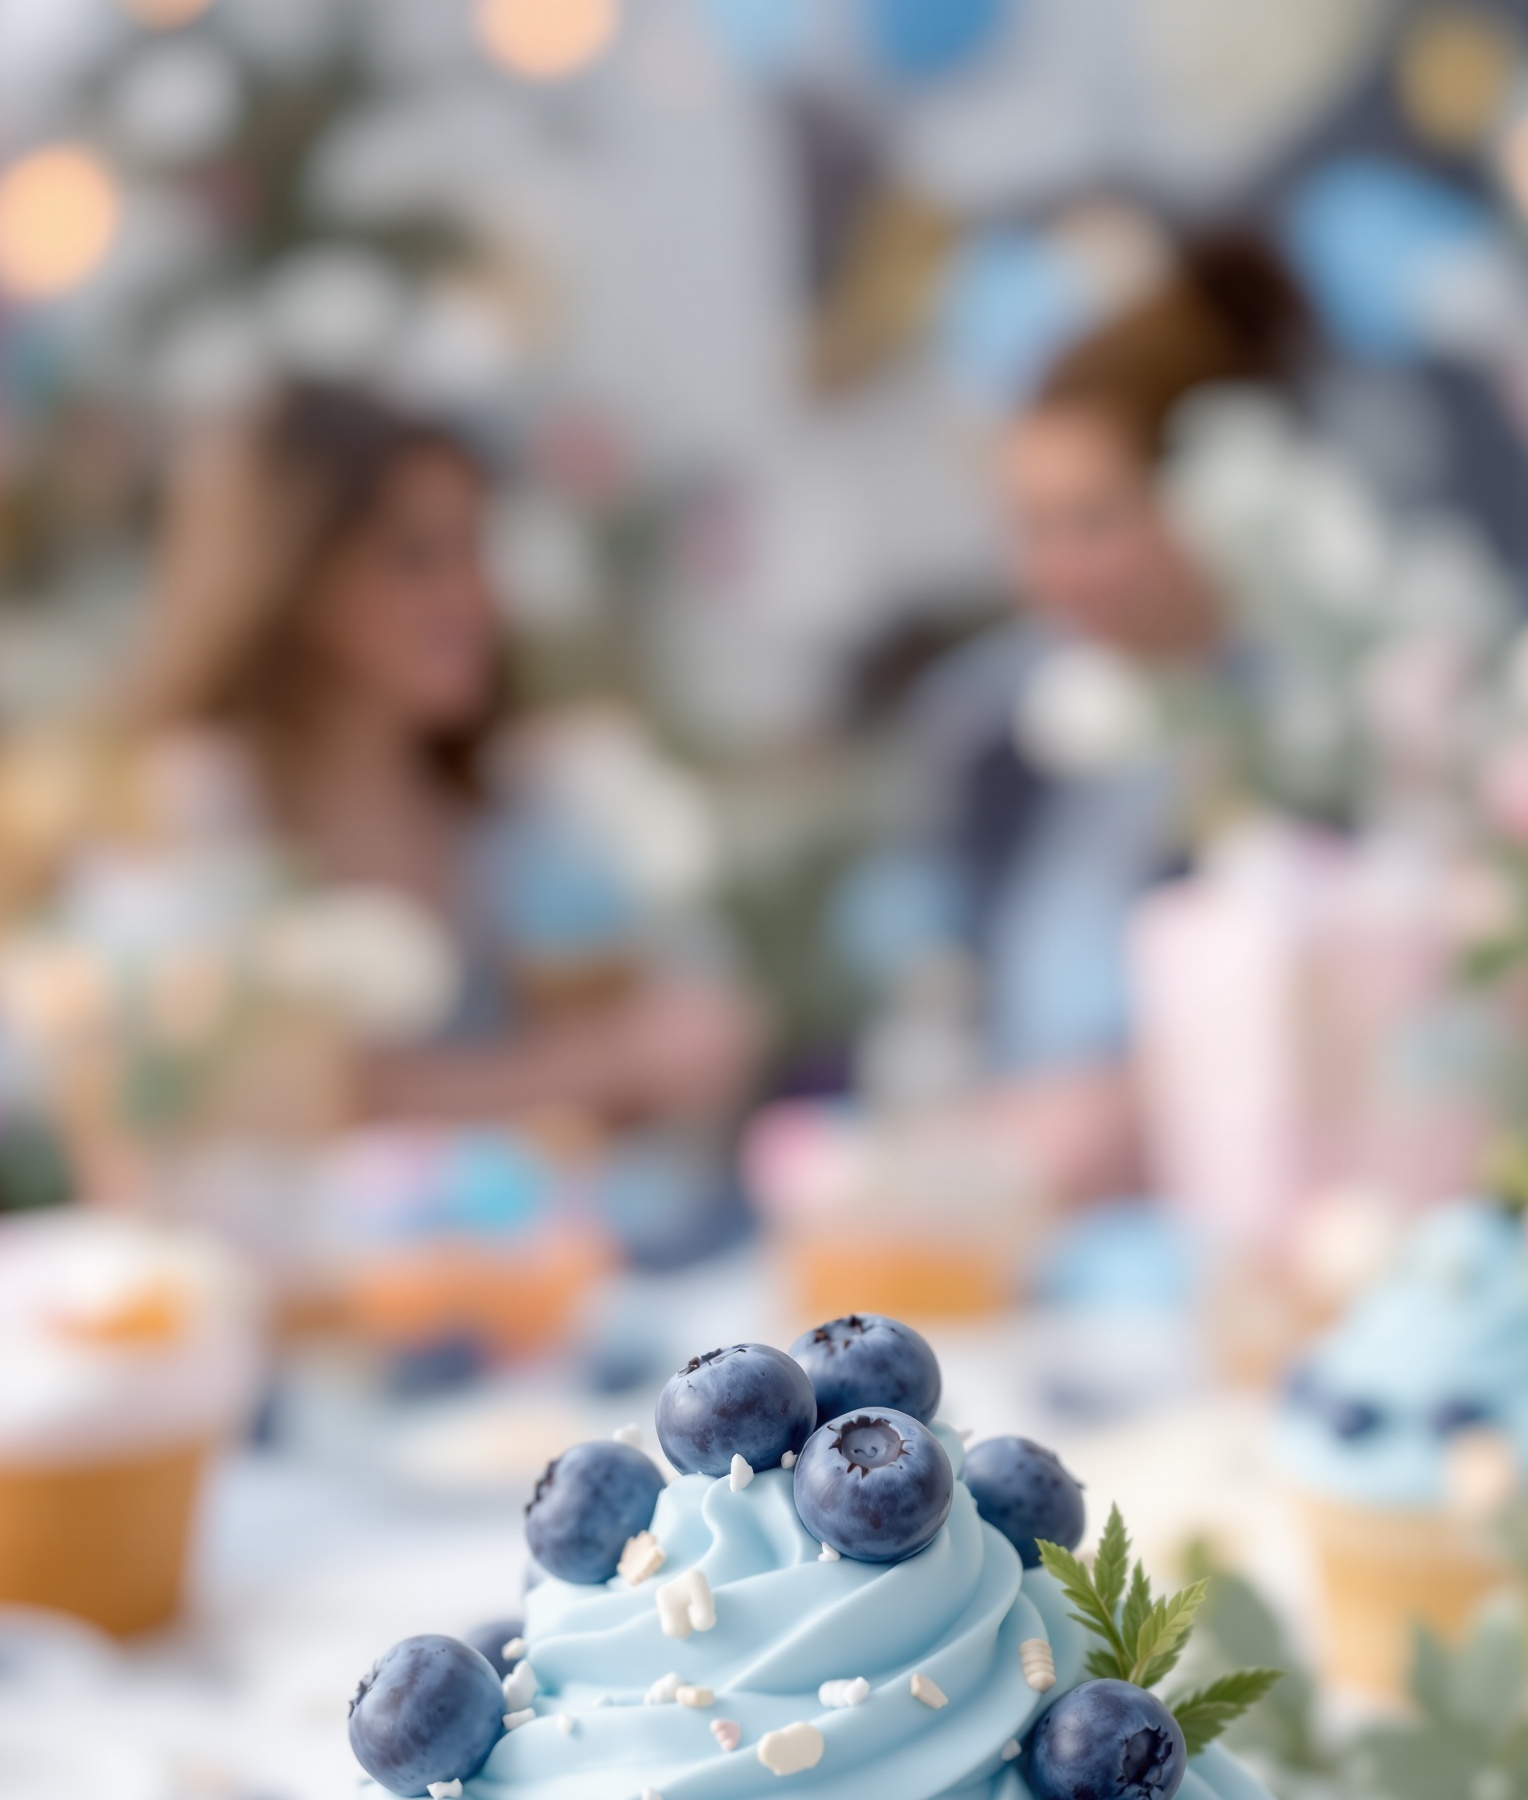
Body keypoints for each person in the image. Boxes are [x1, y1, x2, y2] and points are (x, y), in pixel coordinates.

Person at [130, 386, 761, 1130]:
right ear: (298, 573)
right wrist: (601, 1065)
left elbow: (703, 1030)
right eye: (417, 558)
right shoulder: (204, 806)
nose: (472, 597)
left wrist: (668, 1038)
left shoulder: (518, 806)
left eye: (475, 550)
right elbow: (289, 1105)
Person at [881, 230, 1306, 1201]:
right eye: (1032, 526)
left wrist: (1127, 1112)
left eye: (1095, 521)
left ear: (1197, 502)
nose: (1056, 571)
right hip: (1017, 1216)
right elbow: (946, 995)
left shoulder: (1304, 724)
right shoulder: (983, 719)